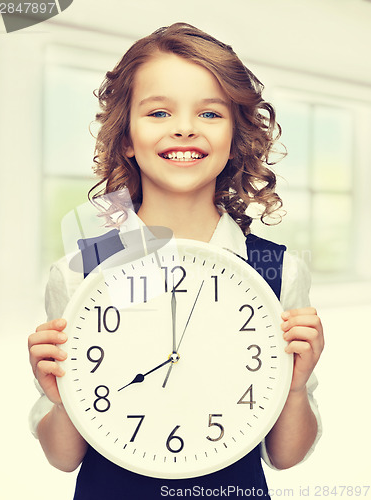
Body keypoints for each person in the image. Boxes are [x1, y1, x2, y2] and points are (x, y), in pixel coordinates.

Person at [28, 23, 324, 499]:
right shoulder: (79, 273)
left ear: (235, 136)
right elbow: (64, 459)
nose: (184, 127)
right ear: (126, 137)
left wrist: (294, 387)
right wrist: (63, 401)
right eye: (160, 111)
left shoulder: (278, 272)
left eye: (209, 113)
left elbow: (285, 457)